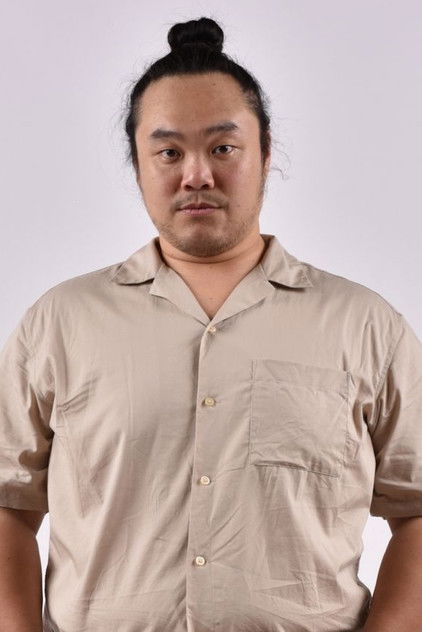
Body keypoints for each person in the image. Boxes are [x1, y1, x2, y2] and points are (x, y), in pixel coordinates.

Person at [0, 15, 421, 632]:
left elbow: (417, 507)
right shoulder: (58, 324)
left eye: (223, 148)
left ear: (265, 153)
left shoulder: (366, 327)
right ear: (138, 164)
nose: (196, 174)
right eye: (169, 151)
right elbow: (8, 502)